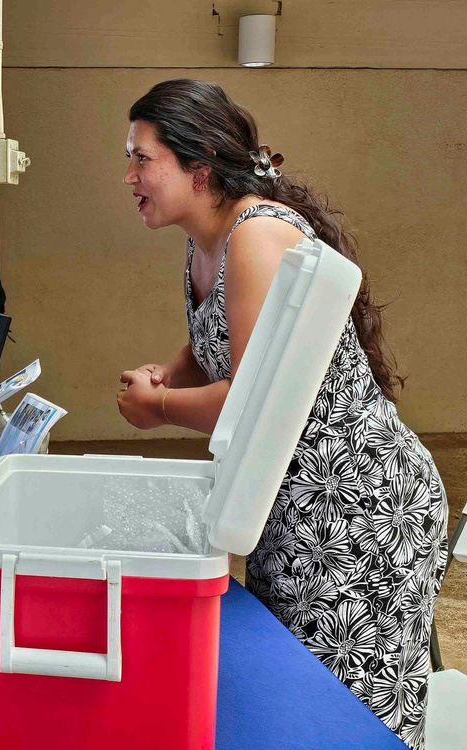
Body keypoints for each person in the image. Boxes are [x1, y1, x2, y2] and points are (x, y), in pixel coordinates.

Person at [115, 79, 448, 749]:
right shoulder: (205, 240)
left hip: (361, 510)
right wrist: (173, 372)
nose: (130, 177)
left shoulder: (256, 237)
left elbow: (255, 398)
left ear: (198, 166)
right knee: (295, 698)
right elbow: (224, 338)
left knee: (346, 715)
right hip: (296, 508)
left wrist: (158, 408)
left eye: (142, 159)